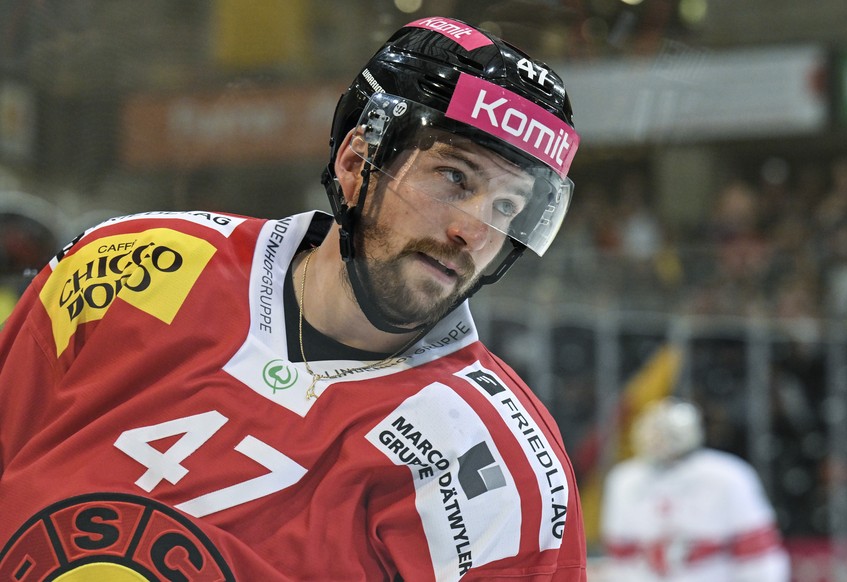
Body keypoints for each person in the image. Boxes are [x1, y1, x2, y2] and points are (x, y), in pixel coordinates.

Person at [0, 16, 585, 581]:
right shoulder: (137, 270)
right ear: (359, 163)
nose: (475, 233)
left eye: (507, 207)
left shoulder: (496, 465)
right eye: (455, 178)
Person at [600, 397, 790, 582]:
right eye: (653, 432)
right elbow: (620, 556)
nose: (658, 440)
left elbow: (758, 554)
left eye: (666, 433)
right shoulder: (623, 480)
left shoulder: (728, 475)